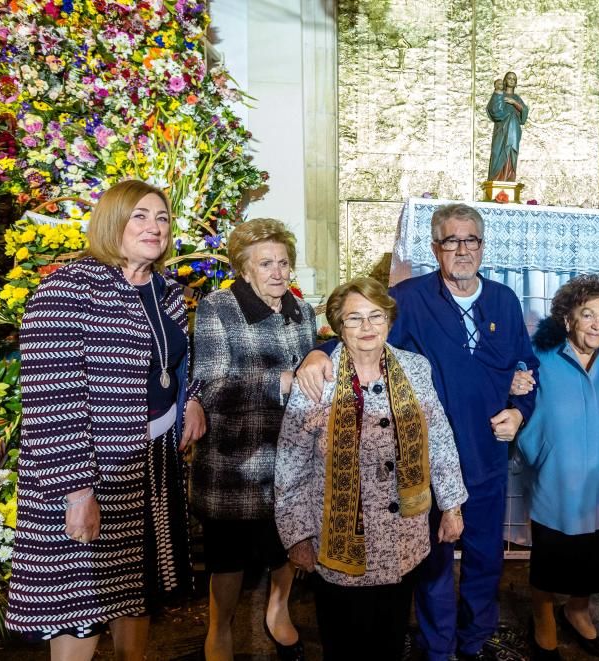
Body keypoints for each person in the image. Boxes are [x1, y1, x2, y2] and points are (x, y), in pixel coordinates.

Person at [295, 203, 539, 661]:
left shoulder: (504, 301)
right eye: (452, 241)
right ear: (435, 247)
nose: (462, 250)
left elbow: (527, 366)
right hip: (423, 463)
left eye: (472, 240)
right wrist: (317, 353)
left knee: (487, 560)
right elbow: (364, 333)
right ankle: (438, 649)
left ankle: (474, 642)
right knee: (433, 565)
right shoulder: (408, 298)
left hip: (487, 458)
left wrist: (520, 411)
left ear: (483, 247)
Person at [5, 180, 206, 659]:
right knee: (83, 601)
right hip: (91, 470)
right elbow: (52, 401)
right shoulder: (67, 290)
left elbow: (182, 363)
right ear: (111, 221)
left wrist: (192, 399)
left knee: (135, 590)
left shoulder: (169, 293)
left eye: (161, 218)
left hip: (151, 468)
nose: (153, 227)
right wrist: (78, 492)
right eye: (139, 215)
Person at [275, 277, 468, 661]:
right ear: (337, 325)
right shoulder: (318, 377)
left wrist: (452, 506)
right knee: (343, 642)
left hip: (403, 538)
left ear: (389, 321)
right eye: (354, 319)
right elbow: (291, 461)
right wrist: (296, 536)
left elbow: (440, 440)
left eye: (376, 316)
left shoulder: (415, 368)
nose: (367, 328)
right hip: (337, 540)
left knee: (390, 635)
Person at [192, 219, 315, 661]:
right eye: (266, 264)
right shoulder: (218, 308)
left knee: (285, 547)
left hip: (291, 461)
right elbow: (210, 387)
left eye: (284, 262)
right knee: (229, 562)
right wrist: (280, 382)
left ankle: (277, 611)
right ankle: (219, 627)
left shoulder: (303, 311)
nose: (278, 272)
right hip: (235, 463)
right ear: (244, 269)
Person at [517, 275, 599, 660]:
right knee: (551, 558)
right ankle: (543, 615)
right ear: (568, 318)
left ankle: (577, 610)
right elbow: (518, 408)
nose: (598, 325)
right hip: (557, 477)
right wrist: (537, 449)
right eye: (588, 315)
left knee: (592, 558)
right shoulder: (540, 359)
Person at [486, 71, 529, 182]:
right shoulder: (500, 94)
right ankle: (496, 178)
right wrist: (498, 93)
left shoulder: (516, 98)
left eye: (514, 79)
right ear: (505, 80)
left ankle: (509, 177)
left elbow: (524, 112)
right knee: (498, 153)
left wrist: (514, 102)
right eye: (509, 78)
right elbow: (494, 111)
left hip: (514, 131)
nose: (511, 80)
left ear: (516, 83)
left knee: (511, 152)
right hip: (501, 132)